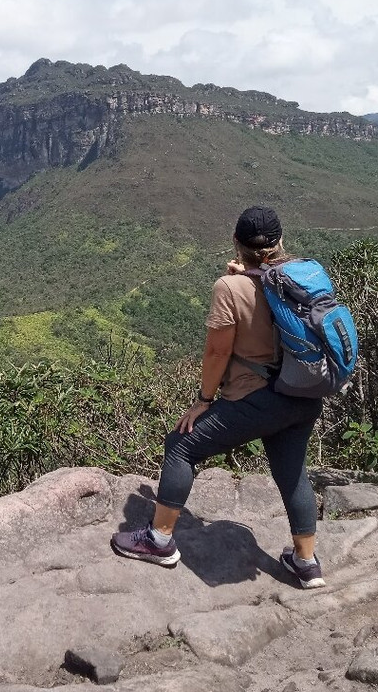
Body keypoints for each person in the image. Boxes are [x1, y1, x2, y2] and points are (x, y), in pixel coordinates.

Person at [110, 206, 326, 588]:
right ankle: (306, 563)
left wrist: (204, 399)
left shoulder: (229, 288)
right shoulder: (304, 276)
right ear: (280, 242)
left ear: (235, 243)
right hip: (303, 395)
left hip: (258, 397)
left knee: (180, 445)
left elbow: (216, 353)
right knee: (292, 474)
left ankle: (159, 540)